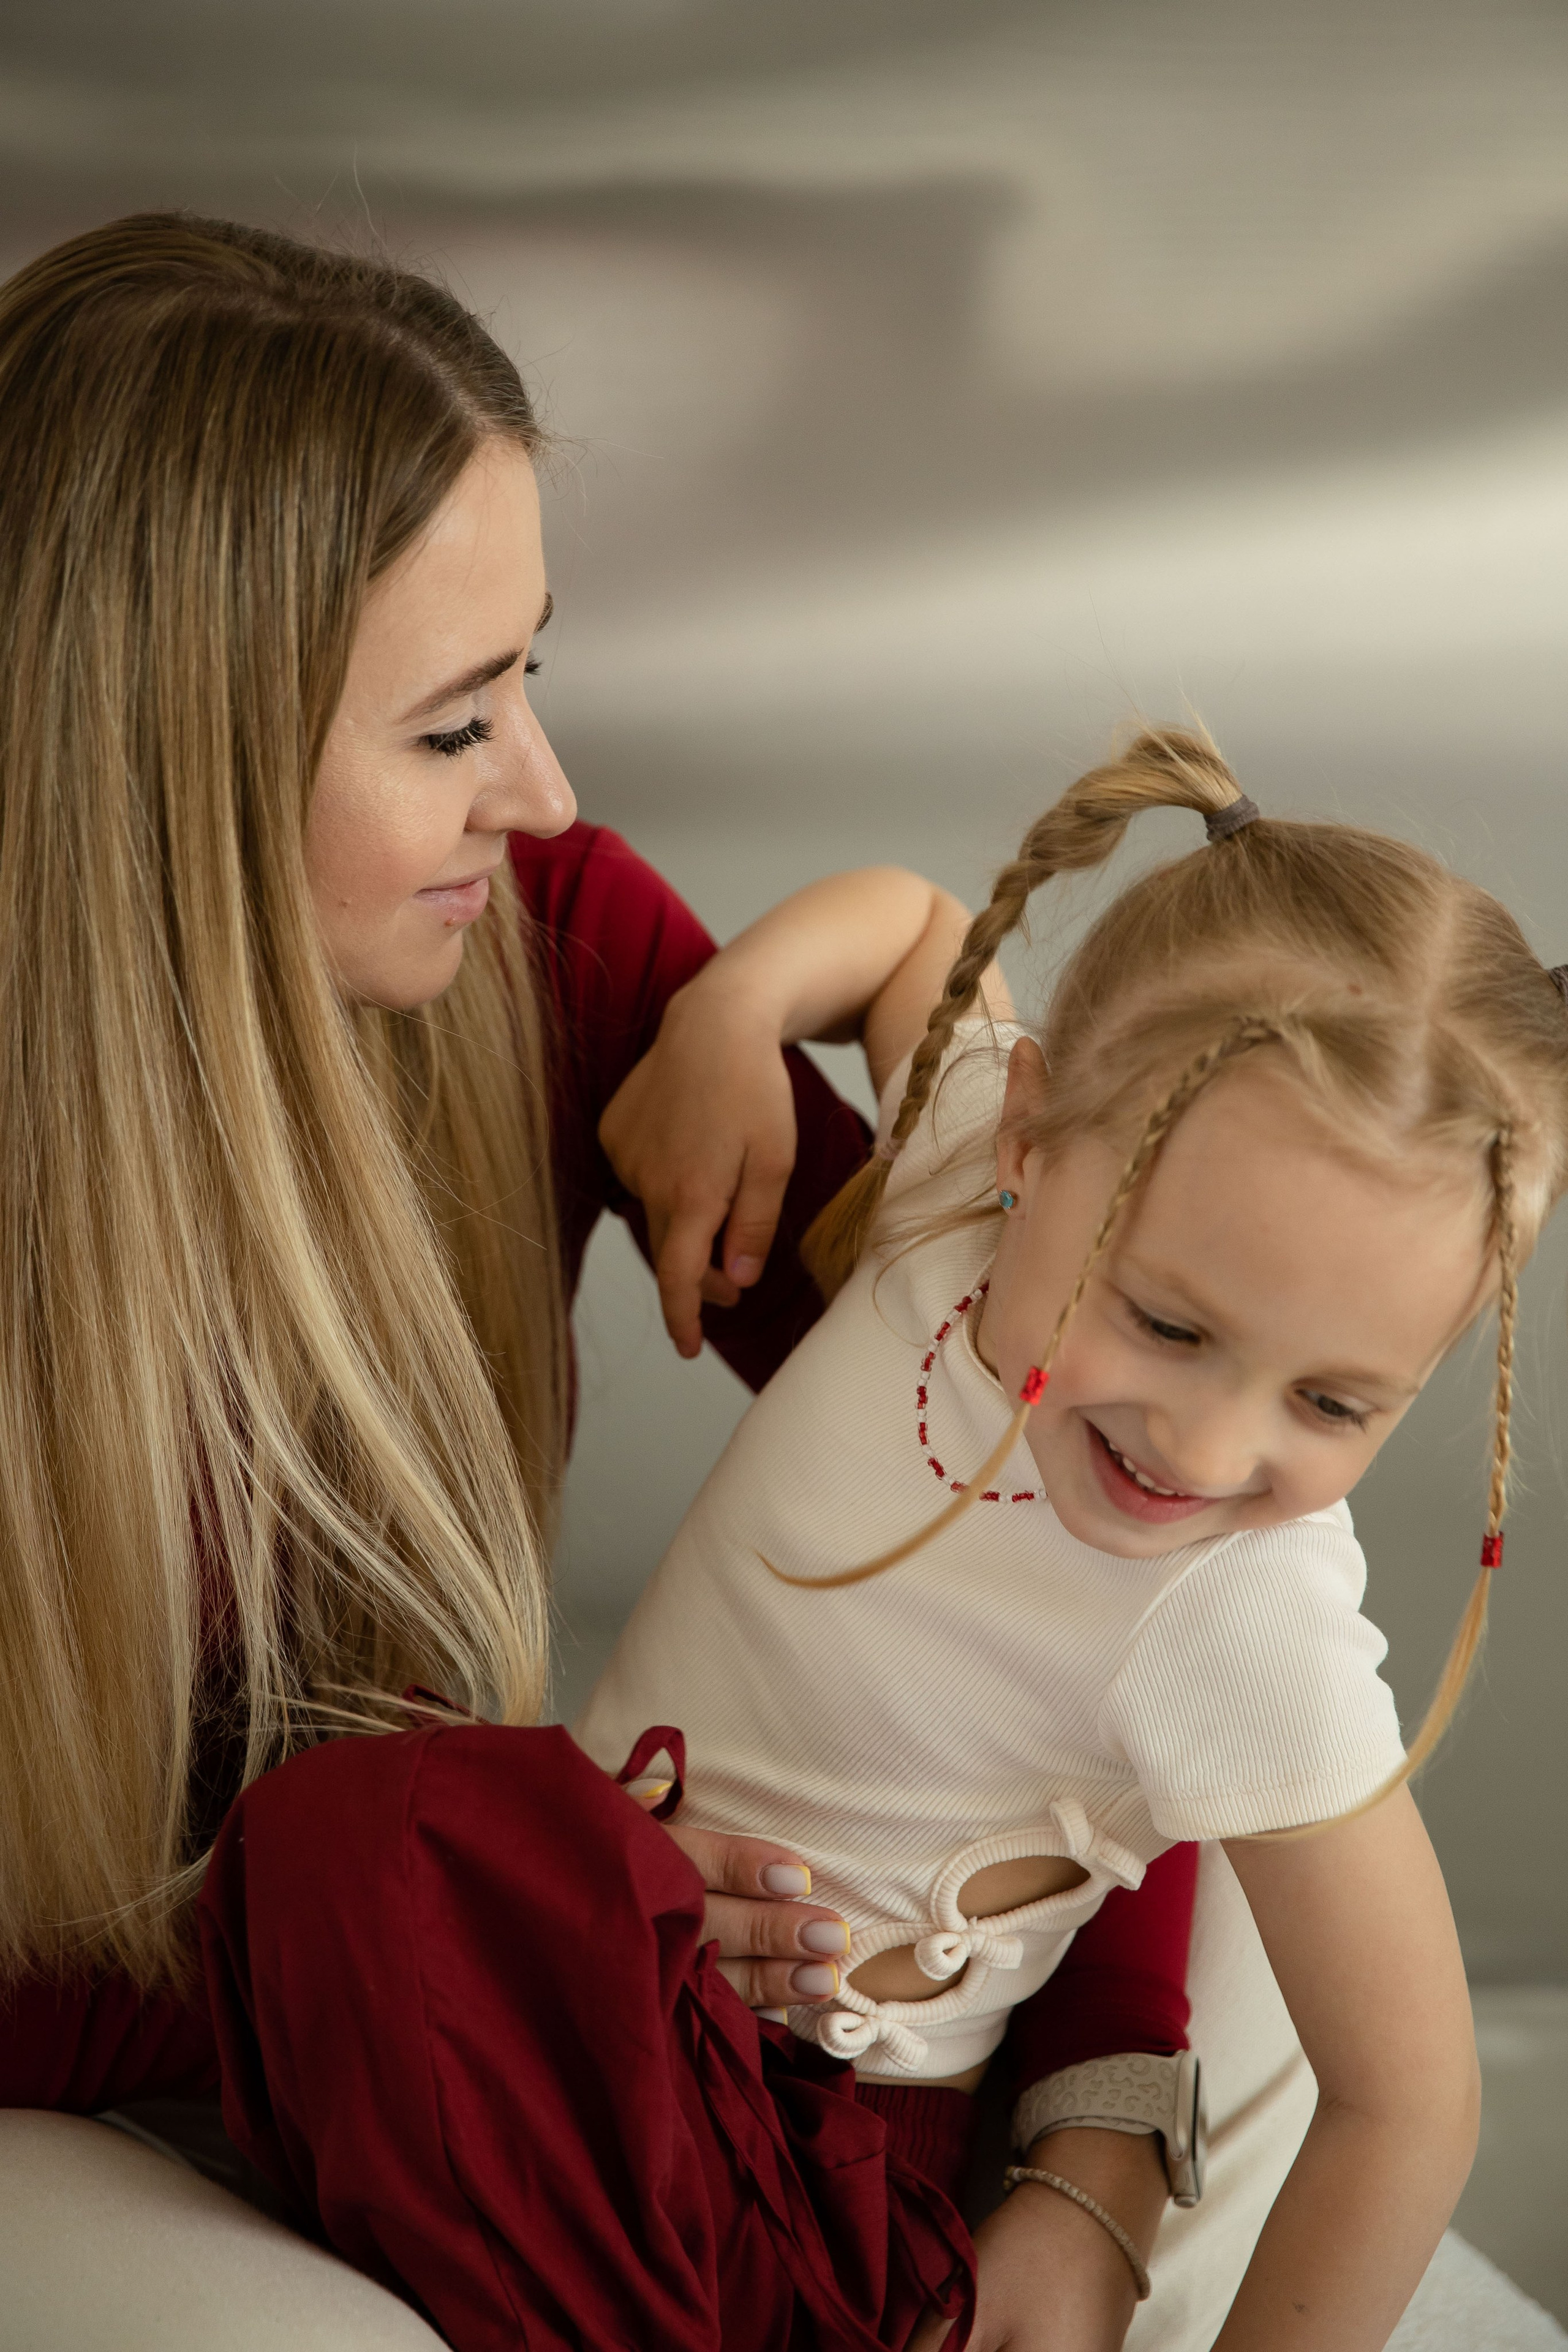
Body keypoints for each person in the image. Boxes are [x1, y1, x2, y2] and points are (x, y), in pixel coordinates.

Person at [0, 213, 1196, 2348]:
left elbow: (1067, 1474)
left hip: (467, 2031)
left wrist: (1095, 2154)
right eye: (456, 727)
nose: (544, 789)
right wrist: (542, 1910)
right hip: (115, 2088)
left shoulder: (543, 948)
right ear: (166, 771)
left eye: (532, 670)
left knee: (1264, 1949)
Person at [580, 725, 1568, 2348]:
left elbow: (1414, 2099)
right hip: (594, 1957)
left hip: (786, 2151)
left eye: (1335, 1405)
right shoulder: (965, 1190)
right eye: (1170, 1323)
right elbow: (907, 929)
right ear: (1034, 1139)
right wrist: (736, 1008)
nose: (1210, 1446)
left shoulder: (1240, 1609)